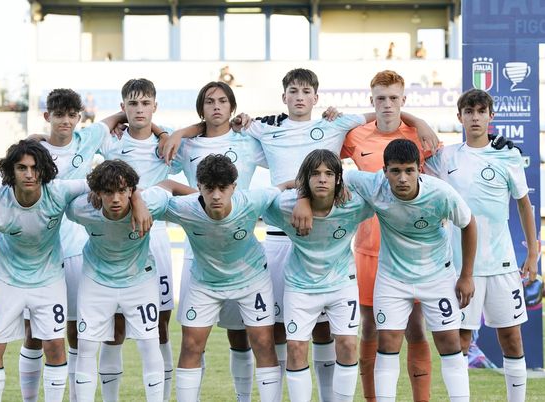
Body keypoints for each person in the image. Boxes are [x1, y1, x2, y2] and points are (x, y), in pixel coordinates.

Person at [163, 68, 438, 401]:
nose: (299, 97)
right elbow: (221, 124)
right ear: (284, 97)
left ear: (316, 98)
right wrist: (183, 131)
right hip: (279, 240)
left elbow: (384, 110)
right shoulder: (266, 128)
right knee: (279, 332)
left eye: (306, 92)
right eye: (293, 91)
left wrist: (419, 123)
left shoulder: (334, 124)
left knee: (325, 329)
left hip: (324, 239)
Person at [24, 88, 143, 402]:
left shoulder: (88, 138)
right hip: (40, 252)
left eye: (71, 115)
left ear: (79, 117)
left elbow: (120, 115)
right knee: (35, 334)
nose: (65, 121)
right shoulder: (32, 151)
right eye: (58, 115)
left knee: (78, 331)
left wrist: (159, 130)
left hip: (76, 249)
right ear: (47, 116)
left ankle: (79, 398)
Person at [425, 88, 538, 402]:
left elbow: (524, 205)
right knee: (459, 340)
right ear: (459, 117)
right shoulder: (445, 157)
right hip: (461, 269)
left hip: (501, 265)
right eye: (468, 112)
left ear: (491, 116)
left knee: (512, 339)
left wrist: (532, 252)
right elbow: (413, 152)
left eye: (480, 111)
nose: (474, 117)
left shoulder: (507, 154)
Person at [344, 139, 477, 402]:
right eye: (395, 171)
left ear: (419, 170)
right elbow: (338, 176)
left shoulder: (441, 194)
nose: (402, 178)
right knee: (388, 343)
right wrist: (301, 196)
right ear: (384, 172)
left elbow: (469, 224)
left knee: (450, 342)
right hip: (392, 279)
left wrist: (466, 275)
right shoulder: (373, 186)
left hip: (438, 277)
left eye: (409, 170)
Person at [338, 70, 436, 402]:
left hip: (413, 250)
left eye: (394, 98)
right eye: (381, 98)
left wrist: (418, 121)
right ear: (372, 101)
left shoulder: (419, 137)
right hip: (368, 249)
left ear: (403, 101)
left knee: (415, 328)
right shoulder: (355, 137)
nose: (387, 104)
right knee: (369, 328)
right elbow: (318, 152)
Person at [170, 81, 268, 402]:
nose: (216, 106)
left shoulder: (249, 142)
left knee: (240, 337)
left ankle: (243, 398)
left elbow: (285, 151)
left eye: (223, 101)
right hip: (197, 251)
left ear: (232, 107)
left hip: (241, 252)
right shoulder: (186, 147)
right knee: (192, 340)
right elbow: (153, 161)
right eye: (209, 101)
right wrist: (179, 133)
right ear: (201, 109)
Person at [65, 160, 194, 402]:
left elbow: (169, 184)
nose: (116, 198)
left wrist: (139, 199)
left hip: (139, 281)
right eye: (108, 192)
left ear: (131, 190)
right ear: (98, 193)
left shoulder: (151, 202)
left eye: (123, 191)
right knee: (87, 348)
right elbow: (63, 195)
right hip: (96, 283)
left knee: (149, 344)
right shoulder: (80, 209)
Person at [164, 154, 287, 402]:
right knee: (191, 345)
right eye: (209, 188)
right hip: (206, 283)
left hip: (252, 279)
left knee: (263, 342)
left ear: (234, 187)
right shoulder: (184, 208)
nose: (216, 196)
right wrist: (138, 199)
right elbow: (158, 190)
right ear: (198, 187)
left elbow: (284, 186)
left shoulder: (252, 200)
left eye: (223, 188)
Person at [0, 140, 89, 402]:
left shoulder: (59, 191)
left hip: (49, 280)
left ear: (45, 170)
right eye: (22, 167)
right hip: (6, 280)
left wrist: (138, 199)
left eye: (35, 168)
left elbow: (101, 181)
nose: (29, 174)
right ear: (10, 171)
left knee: (55, 345)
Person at [263, 149, 374, 402]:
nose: (322, 179)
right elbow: (257, 203)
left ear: (337, 179)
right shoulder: (286, 205)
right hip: (300, 287)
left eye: (328, 173)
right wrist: (300, 195)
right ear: (305, 179)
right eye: (315, 174)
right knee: (296, 348)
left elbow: (380, 193)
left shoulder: (355, 204)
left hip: (341, 284)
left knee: (347, 344)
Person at [97, 78, 177, 402]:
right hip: (117, 242)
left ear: (154, 106)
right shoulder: (112, 144)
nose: (139, 109)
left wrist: (164, 133)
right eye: (132, 104)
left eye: (145, 103)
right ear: (123, 108)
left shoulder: (168, 146)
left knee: (160, 327)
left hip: (155, 240)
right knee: (114, 328)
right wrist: (116, 121)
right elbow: (92, 132)